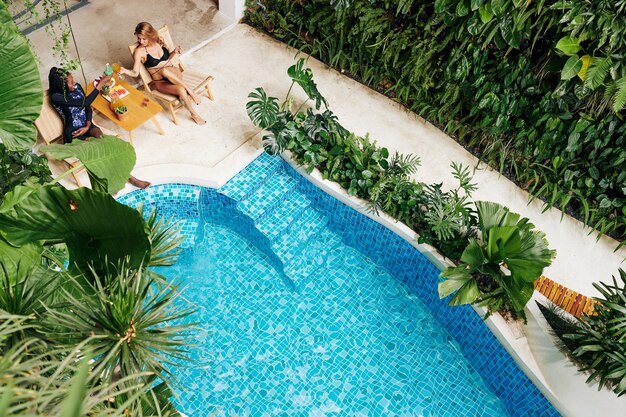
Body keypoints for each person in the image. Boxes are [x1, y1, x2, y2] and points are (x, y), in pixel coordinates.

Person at [48, 67, 151, 189]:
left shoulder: (77, 87)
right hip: (74, 133)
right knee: (98, 151)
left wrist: (87, 125)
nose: (74, 83)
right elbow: (84, 103)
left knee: (103, 141)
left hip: (87, 125)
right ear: (61, 87)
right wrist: (100, 84)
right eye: (70, 82)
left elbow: (88, 107)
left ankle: (122, 176)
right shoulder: (56, 97)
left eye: (73, 80)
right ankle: (128, 179)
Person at [119, 22, 206, 125]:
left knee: (165, 70)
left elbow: (167, 59)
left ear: (150, 35)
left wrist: (174, 52)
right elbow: (135, 72)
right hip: (160, 82)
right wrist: (125, 71)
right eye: (138, 38)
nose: (141, 41)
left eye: (144, 38)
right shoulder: (139, 51)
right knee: (180, 89)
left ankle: (189, 92)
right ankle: (194, 113)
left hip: (173, 73)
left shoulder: (159, 41)